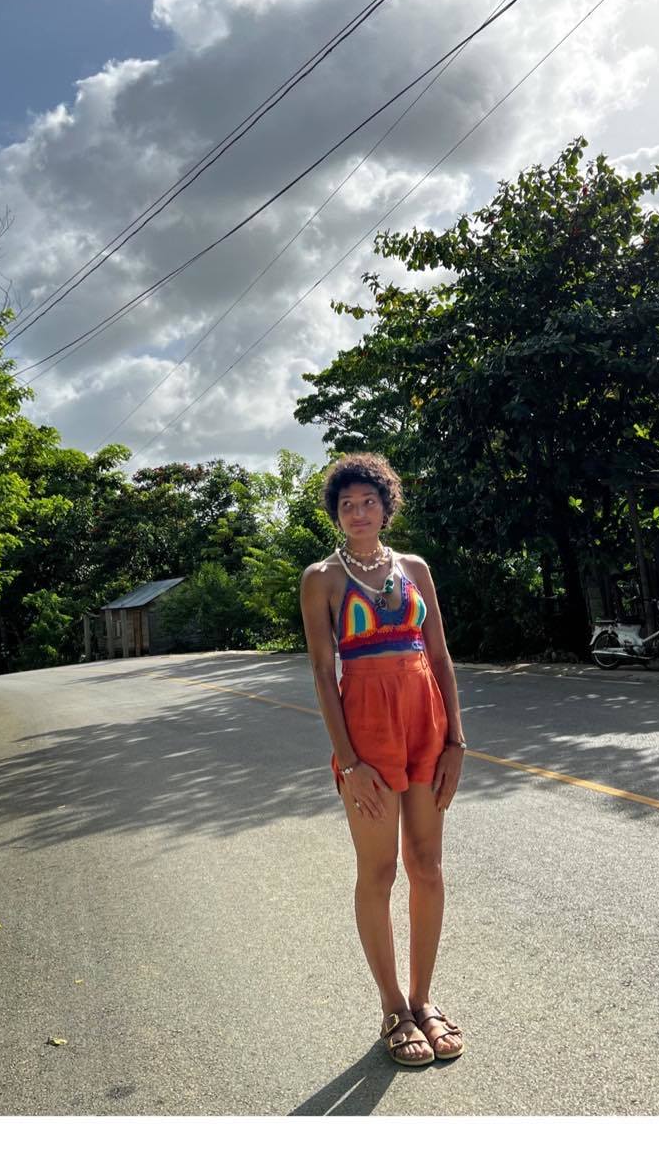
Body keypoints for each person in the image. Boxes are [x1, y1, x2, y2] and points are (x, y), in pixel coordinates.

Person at [299, 452, 468, 1066]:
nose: (358, 512)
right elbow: (324, 673)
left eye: (368, 501)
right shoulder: (321, 578)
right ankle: (393, 1005)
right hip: (367, 733)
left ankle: (424, 999)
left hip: (427, 727)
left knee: (428, 866)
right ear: (336, 514)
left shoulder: (415, 569)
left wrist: (456, 742)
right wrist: (349, 760)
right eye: (347, 504)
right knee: (379, 871)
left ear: (386, 506)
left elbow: (440, 656)